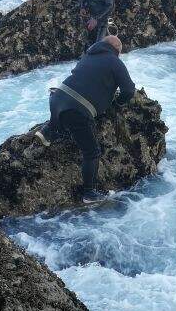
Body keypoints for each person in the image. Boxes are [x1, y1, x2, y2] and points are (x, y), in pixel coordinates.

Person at [34, 34, 136, 203]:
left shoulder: (87, 55)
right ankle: (89, 193)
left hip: (57, 97)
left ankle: (49, 130)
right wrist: (117, 103)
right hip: (77, 111)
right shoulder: (115, 61)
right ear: (117, 50)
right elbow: (128, 91)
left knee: (66, 117)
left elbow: (85, 82)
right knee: (92, 152)